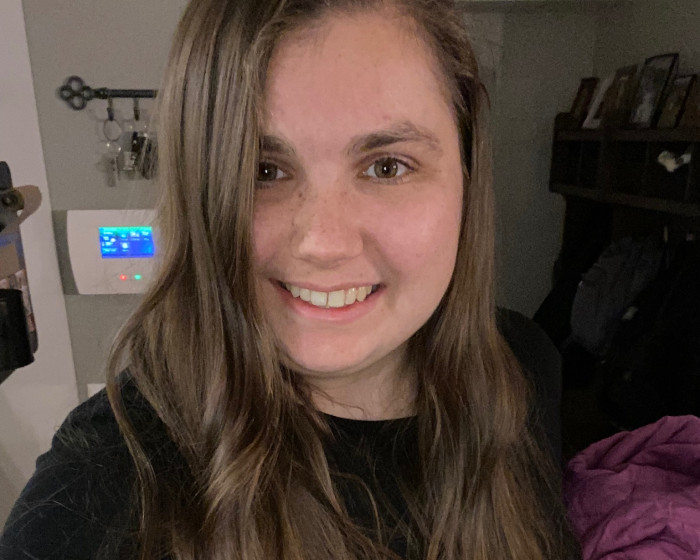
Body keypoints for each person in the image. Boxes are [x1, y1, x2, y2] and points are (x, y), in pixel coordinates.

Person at [1, 0, 580, 558]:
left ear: (468, 176)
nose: (323, 243)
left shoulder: (522, 366)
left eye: (387, 167)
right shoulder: (99, 495)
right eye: (263, 170)